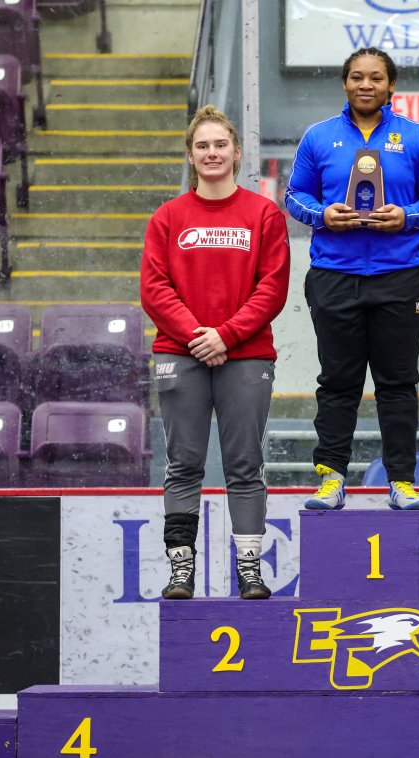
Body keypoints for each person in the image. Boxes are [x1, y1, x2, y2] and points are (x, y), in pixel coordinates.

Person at [285, 46, 419, 511]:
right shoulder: (318, 137)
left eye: (376, 78)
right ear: (344, 83)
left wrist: (406, 216)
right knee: (337, 382)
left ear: (391, 86)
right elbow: (293, 196)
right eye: (357, 77)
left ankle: (401, 481)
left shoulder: (416, 138)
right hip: (334, 276)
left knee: (397, 383)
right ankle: (331, 478)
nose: (366, 85)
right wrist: (322, 215)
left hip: (399, 276)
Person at [140, 105, 290, 600]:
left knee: (244, 465)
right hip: (180, 353)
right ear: (190, 155)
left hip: (245, 355)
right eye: (202, 146)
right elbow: (154, 289)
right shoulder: (168, 217)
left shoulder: (264, 213)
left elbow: (272, 287)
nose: (211, 153)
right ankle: (181, 570)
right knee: (183, 464)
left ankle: (250, 570)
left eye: (219, 145)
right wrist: (196, 336)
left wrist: (225, 335)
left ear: (236, 152)